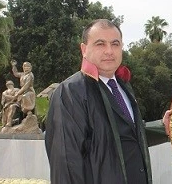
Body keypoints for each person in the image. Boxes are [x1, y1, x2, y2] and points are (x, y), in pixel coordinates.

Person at [45, 19, 152, 184]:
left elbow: (126, 136)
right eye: (100, 44)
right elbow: (66, 165)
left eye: (115, 44)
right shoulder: (70, 92)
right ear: (84, 49)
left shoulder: (123, 87)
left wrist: (165, 127)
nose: (109, 51)